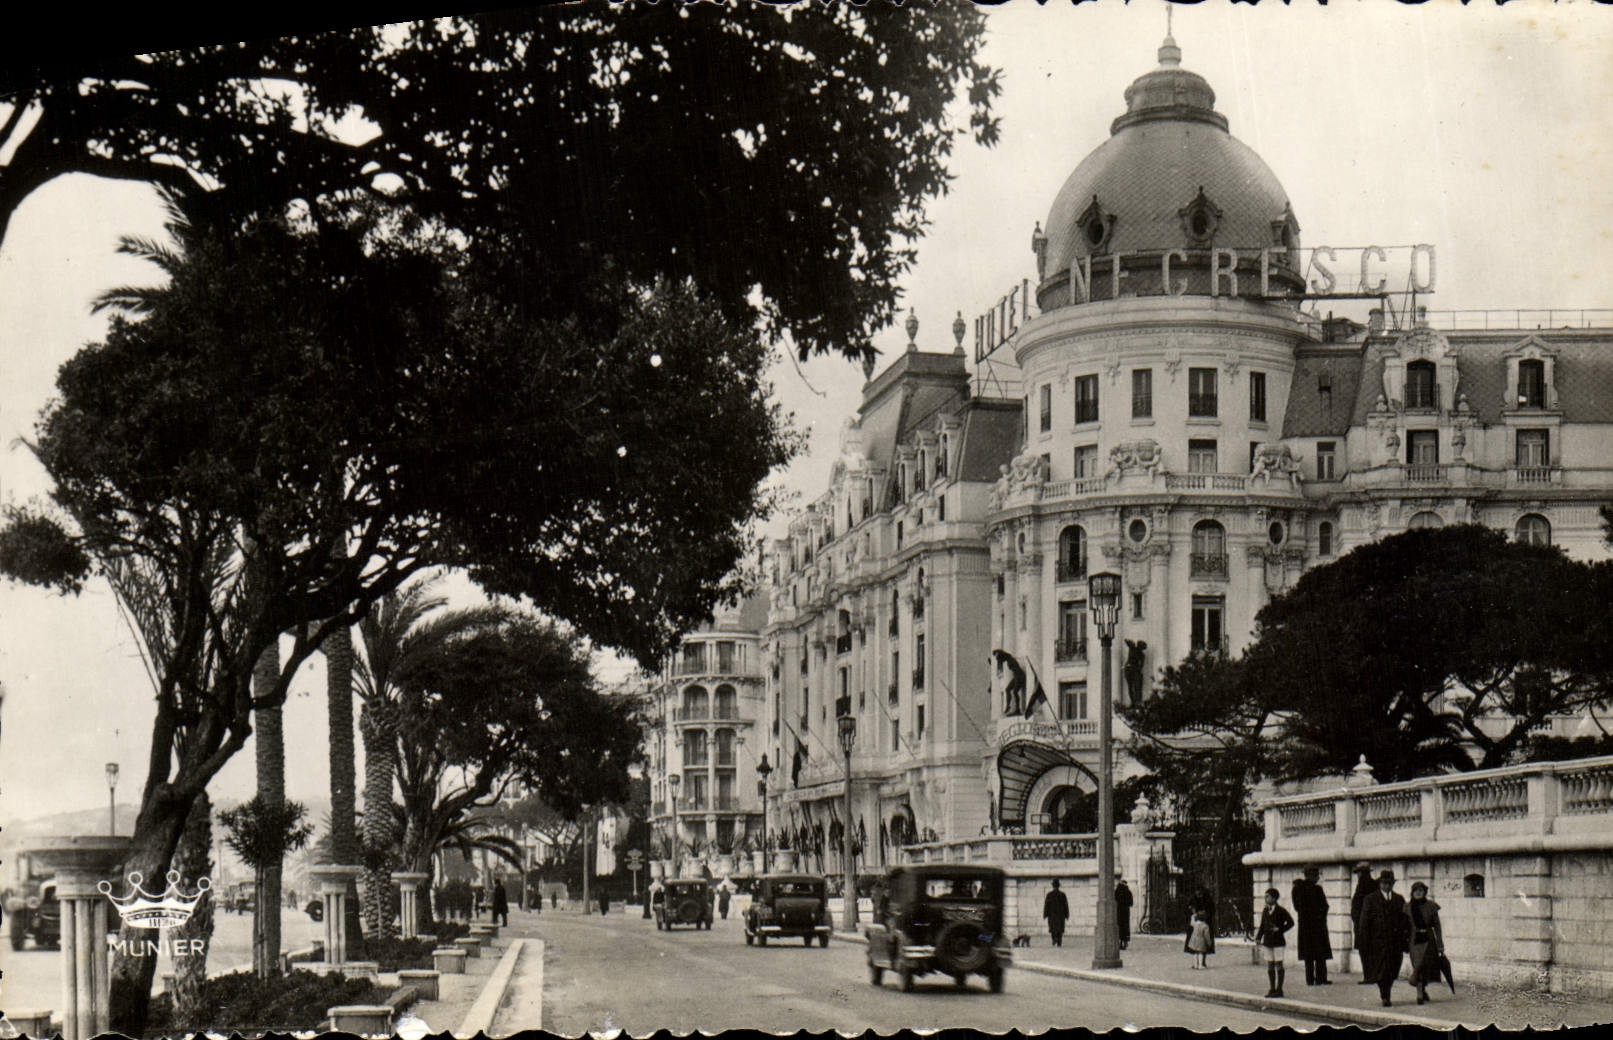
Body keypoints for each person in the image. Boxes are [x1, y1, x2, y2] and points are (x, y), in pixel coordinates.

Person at [1356, 869, 1410, 1007]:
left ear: (1393, 884)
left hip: (1395, 942)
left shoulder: (1399, 899)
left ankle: (1387, 990)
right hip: (1378, 942)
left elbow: (1405, 920)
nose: (1387, 886)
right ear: (1380, 884)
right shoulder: (1370, 899)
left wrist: (1405, 938)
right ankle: (1385, 995)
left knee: (1393, 969)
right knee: (1382, 971)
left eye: (1389, 883)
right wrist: (1364, 941)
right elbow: (1364, 922)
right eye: (1384, 883)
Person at [1406, 881, 1446, 1005]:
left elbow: (1437, 926)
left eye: (1421, 890)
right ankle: (1420, 992)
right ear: (1412, 892)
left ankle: (1421, 990)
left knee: (1425, 966)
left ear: (1425, 892)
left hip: (1429, 940)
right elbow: (1404, 926)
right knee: (1417, 965)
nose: (1418, 893)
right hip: (1414, 940)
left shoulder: (1431, 906)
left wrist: (1440, 944)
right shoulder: (1407, 907)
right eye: (1416, 890)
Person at [1292, 866, 1332, 986]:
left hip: (1306, 926)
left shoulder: (1297, 888)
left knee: (1309, 954)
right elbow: (1324, 906)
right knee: (1320, 953)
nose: (1318, 877)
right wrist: (1319, 915)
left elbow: (1297, 907)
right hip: (1317, 925)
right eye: (1316, 875)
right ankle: (1320, 978)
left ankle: (1310, 979)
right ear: (1310, 875)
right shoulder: (1316, 889)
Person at [1253, 888, 1295, 997]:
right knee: (1270, 965)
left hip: (1278, 941)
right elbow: (1262, 925)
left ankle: (1279, 989)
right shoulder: (1265, 910)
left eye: (1268, 896)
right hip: (1268, 941)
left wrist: (1280, 929)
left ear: (1274, 898)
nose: (1265, 898)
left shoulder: (1281, 910)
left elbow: (1291, 922)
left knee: (1279, 964)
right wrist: (1258, 937)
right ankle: (1272, 988)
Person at [1350, 862, 1376, 984]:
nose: (1358, 875)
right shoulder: (1373, 885)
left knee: (1365, 951)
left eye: (1359, 873)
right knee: (1369, 950)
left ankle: (1369, 976)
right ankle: (1371, 975)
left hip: (1363, 924)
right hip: (1366, 924)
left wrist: (1356, 918)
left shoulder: (1363, 886)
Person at [1043, 879, 1070, 947]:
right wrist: (1067, 915)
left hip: (1052, 915)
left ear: (1053, 886)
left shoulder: (1049, 895)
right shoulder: (1062, 895)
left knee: (1053, 929)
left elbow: (1046, 905)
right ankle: (1059, 941)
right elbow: (1066, 905)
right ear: (1058, 886)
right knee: (1059, 929)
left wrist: (1045, 914)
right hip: (1060, 916)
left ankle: (1054, 939)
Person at [1115, 878, 1134, 950]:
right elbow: (1131, 903)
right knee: (1125, 927)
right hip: (1125, 912)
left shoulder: (1117, 891)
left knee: (1119, 926)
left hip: (1118, 911)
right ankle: (1125, 942)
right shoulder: (1128, 892)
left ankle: (1120, 942)